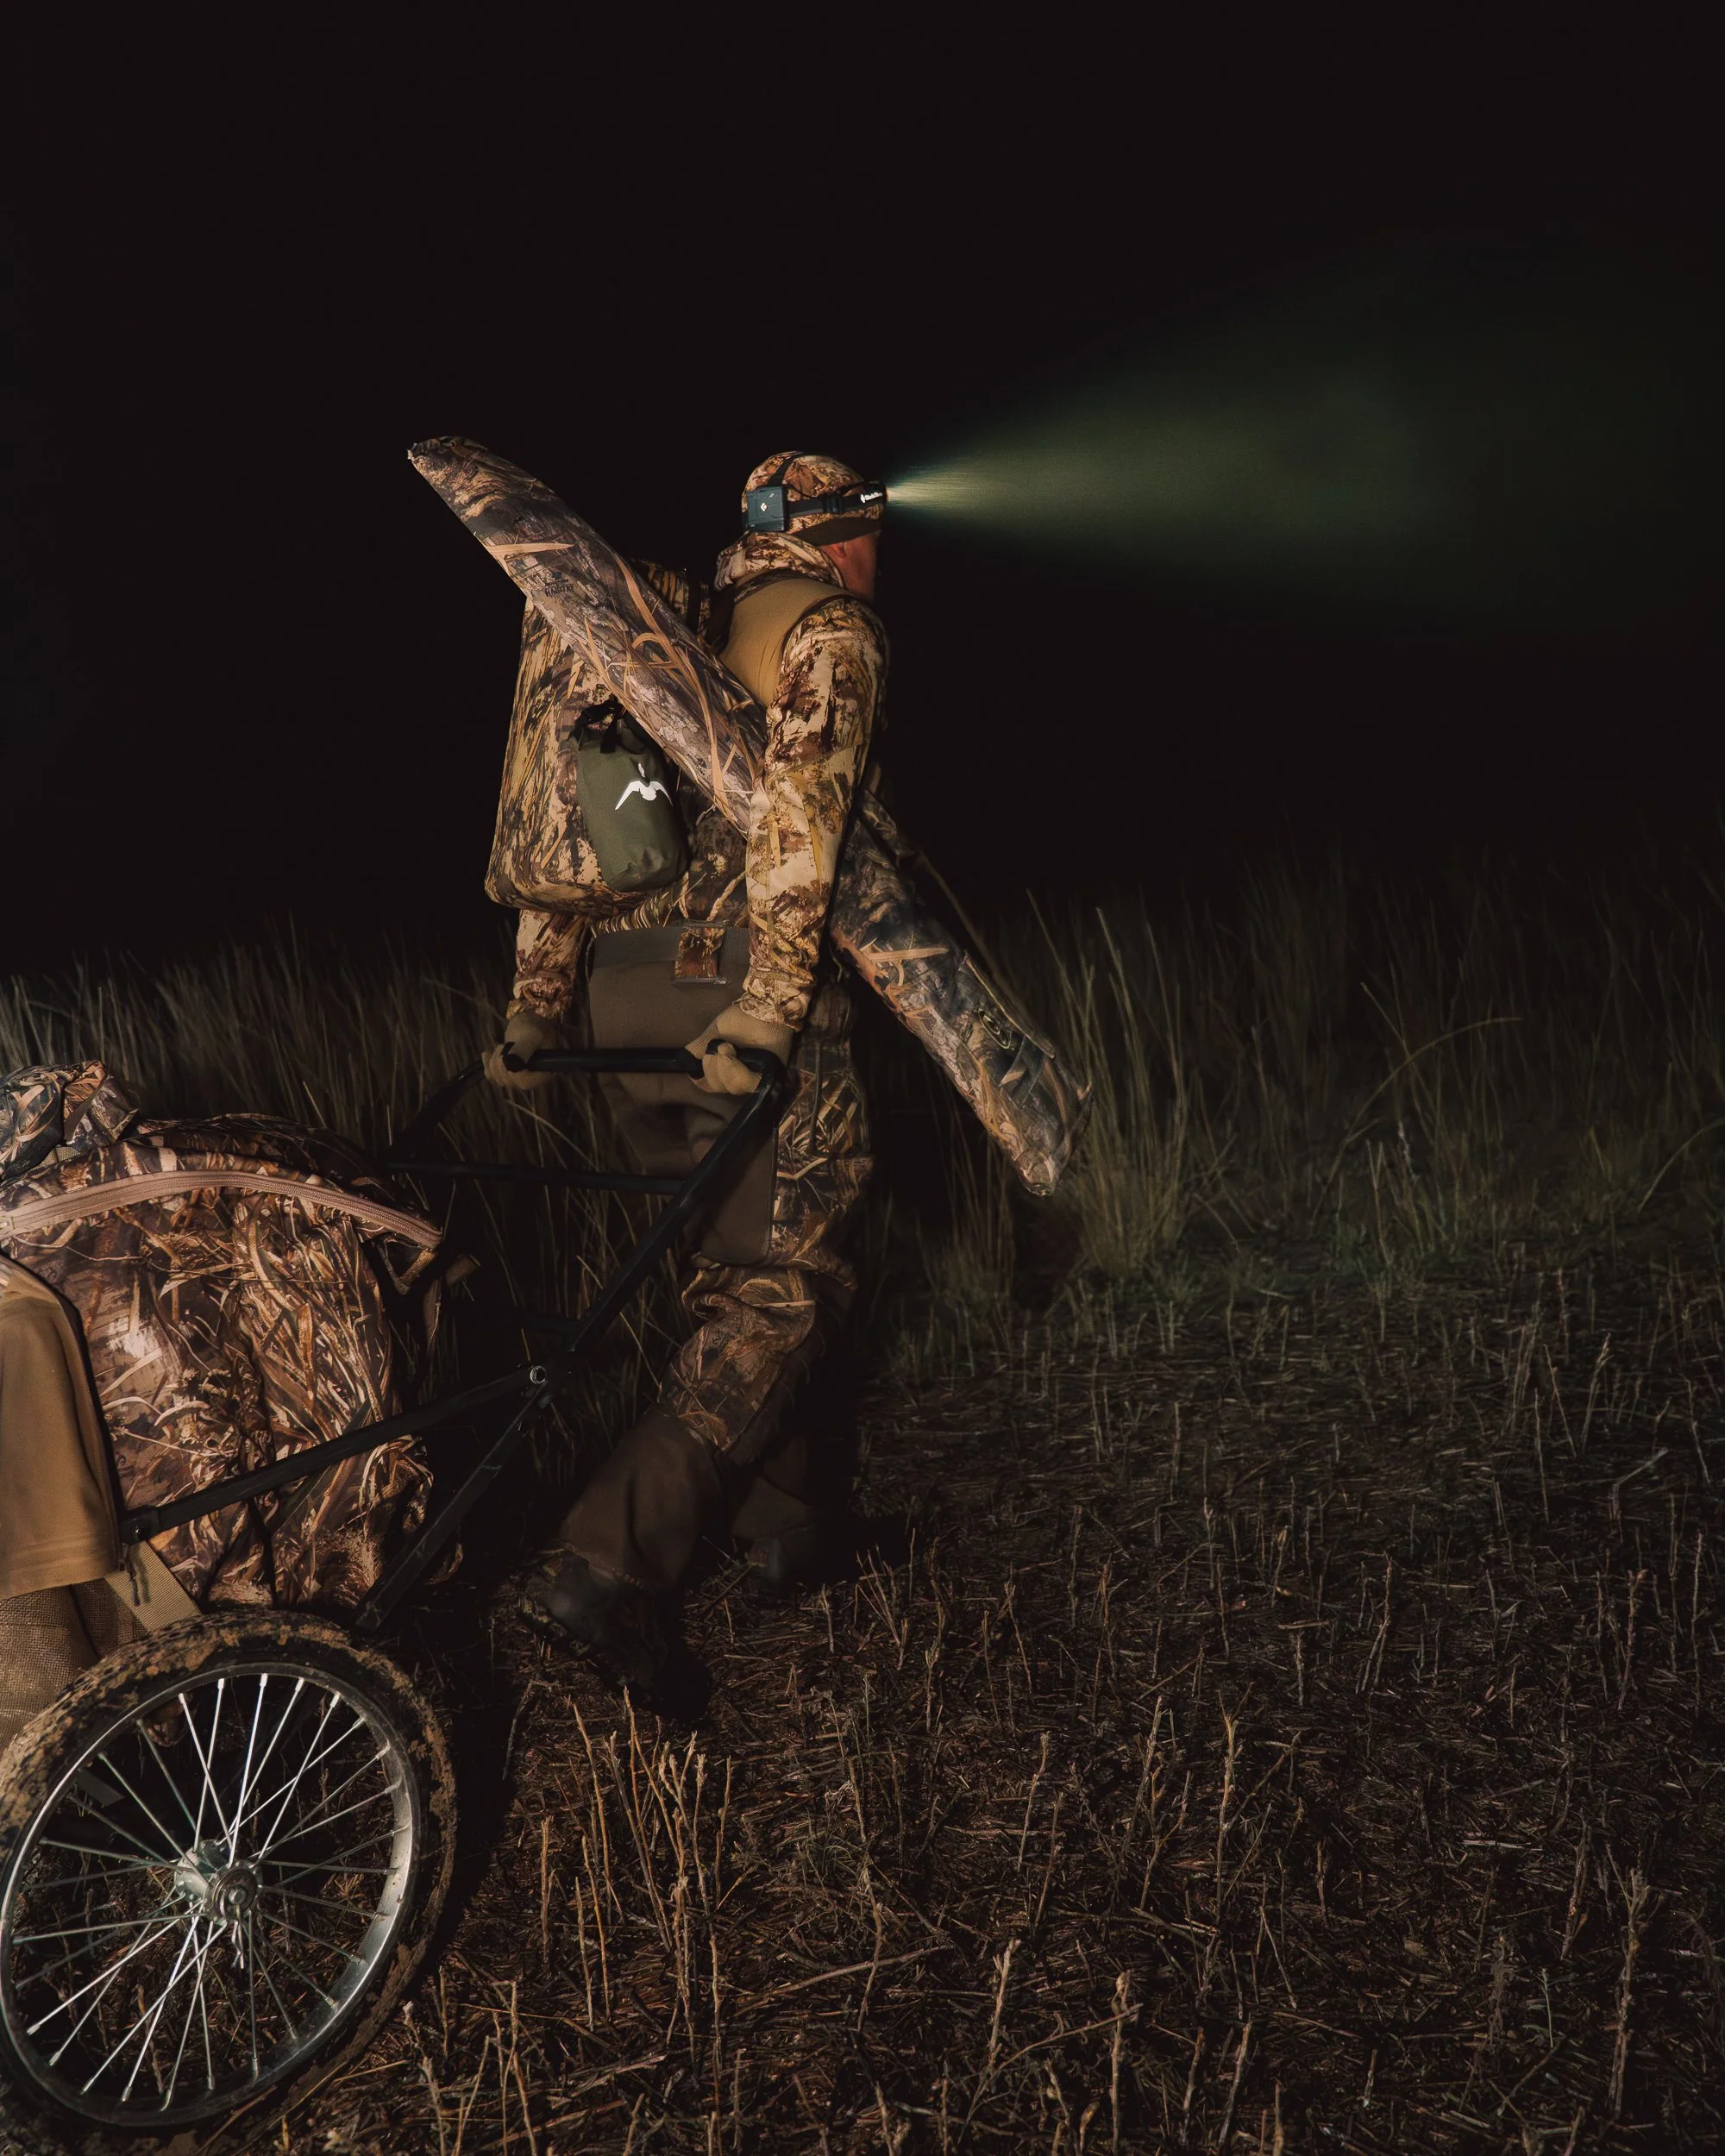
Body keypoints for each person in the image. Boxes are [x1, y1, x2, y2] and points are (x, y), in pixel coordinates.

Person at [487, 454, 888, 1699]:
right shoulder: (827, 632)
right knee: (788, 1289)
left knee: (732, 1266)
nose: (877, 559)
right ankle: (609, 1566)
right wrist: (773, 1006)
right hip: (738, 992)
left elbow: (570, 825)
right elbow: (805, 823)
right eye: (872, 536)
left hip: (624, 998)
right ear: (838, 538)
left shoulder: (655, 628)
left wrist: (537, 1005)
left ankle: (786, 1529)